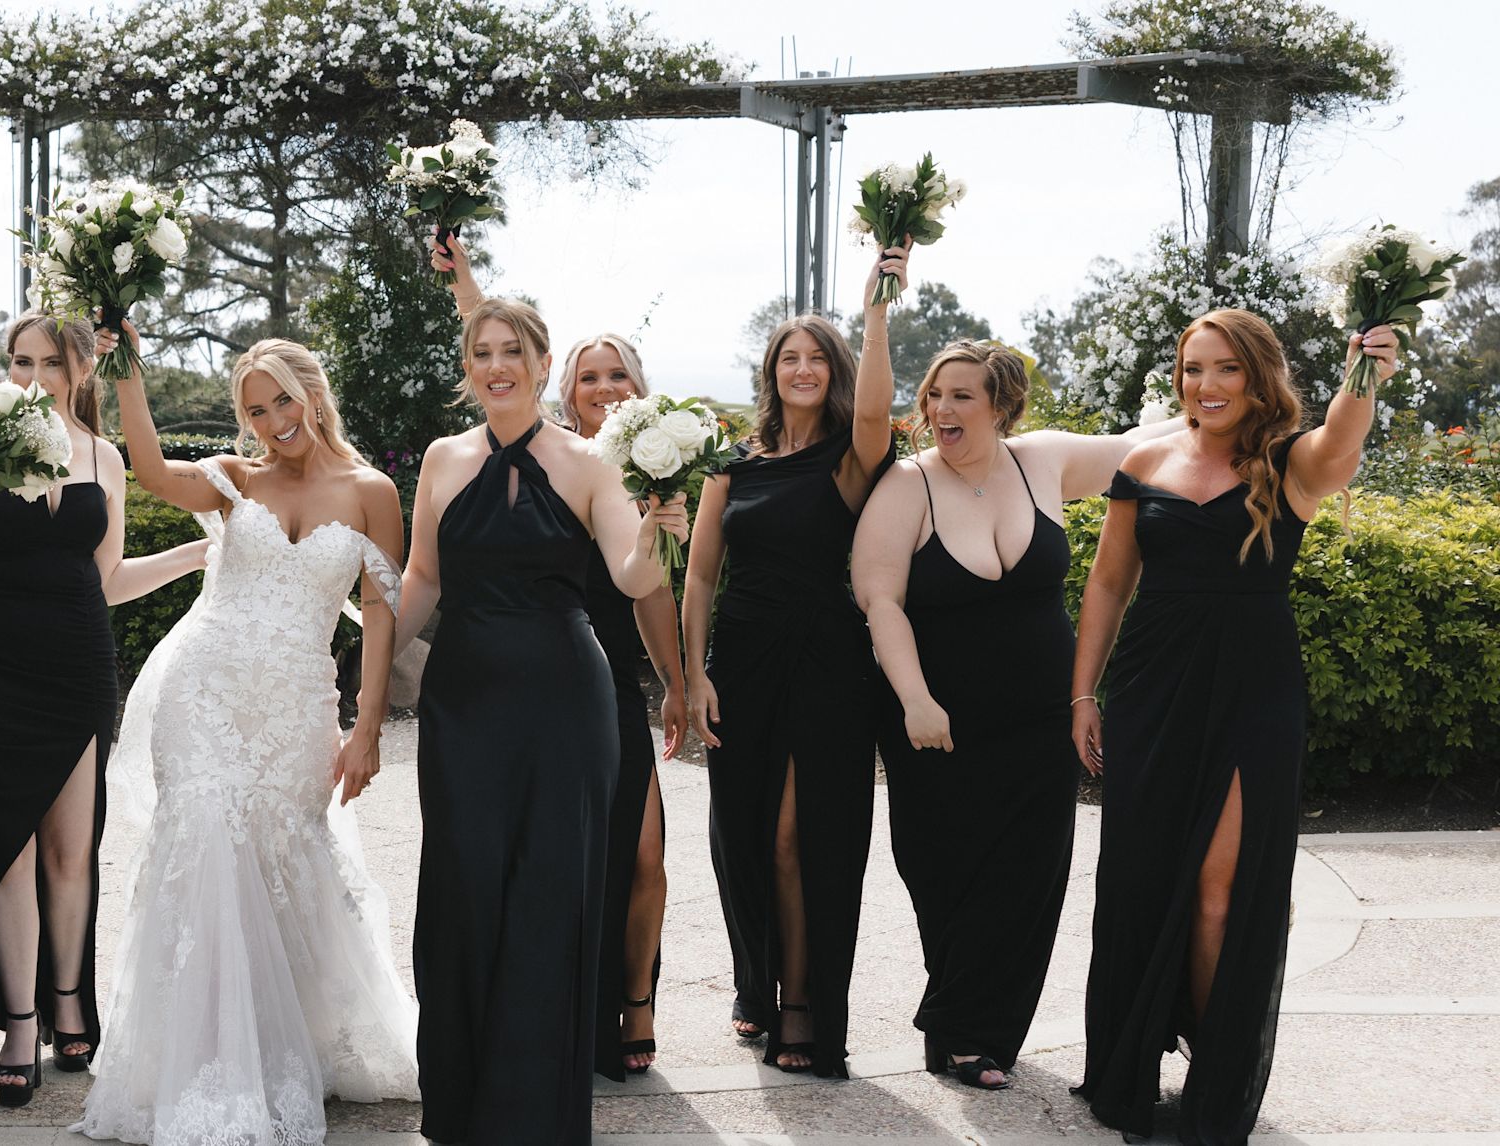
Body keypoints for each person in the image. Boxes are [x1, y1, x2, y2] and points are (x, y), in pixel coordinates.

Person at [73, 336, 419, 1145]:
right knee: (205, 843)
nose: (272, 422)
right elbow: (152, 470)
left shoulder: (372, 492)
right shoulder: (236, 480)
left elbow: (380, 609)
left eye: (282, 402)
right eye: (255, 411)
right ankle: (209, 1068)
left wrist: (367, 726)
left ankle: (285, 1040)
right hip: (205, 692)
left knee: (281, 856)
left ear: (313, 394)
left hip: (296, 703)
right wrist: (125, 370)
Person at [1072, 311, 1389, 1146]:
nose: (1204, 386)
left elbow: (1341, 446)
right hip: (1150, 687)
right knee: (1139, 879)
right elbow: (1107, 585)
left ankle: (1215, 1081)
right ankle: (1132, 1062)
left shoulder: (1290, 461)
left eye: (1224, 371)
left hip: (1253, 691)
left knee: (1222, 892)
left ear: (1257, 376)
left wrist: (1364, 377)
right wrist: (1082, 694)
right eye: (1190, 369)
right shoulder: (1144, 461)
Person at [852, 338, 1185, 1090]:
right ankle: (958, 1016)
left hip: (1039, 721)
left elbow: (1136, 447)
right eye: (935, 395)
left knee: (1027, 877)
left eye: (961, 396)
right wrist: (914, 699)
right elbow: (880, 601)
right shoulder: (908, 485)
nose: (941, 410)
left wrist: (1218, 409)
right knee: (945, 874)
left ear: (1001, 405)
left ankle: (972, 1034)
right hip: (936, 725)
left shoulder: (1043, 460)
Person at [394, 294, 687, 1145]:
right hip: (463, 705)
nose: (496, 365)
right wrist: (366, 684)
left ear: (537, 360)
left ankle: (535, 1112)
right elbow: (421, 578)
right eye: (481, 350)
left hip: (567, 700)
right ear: (468, 365)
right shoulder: (443, 461)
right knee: (463, 882)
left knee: (551, 891)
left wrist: (661, 533)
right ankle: (461, 1099)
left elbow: (633, 579)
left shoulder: (592, 463)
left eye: (511, 350)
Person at [0, 313, 209, 1106]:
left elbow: (107, 578)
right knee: (9, 849)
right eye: (19, 361)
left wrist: (197, 553)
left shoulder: (103, 457)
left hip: (77, 667)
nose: (32, 376)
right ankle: (22, 1022)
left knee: (72, 851)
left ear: (80, 369)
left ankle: (70, 998)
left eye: (48, 362)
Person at [681, 247, 903, 1078]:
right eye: (788, 358)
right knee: (743, 840)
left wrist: (878, 306)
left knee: (803, 841)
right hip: (740, 661)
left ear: (834, 371)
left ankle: (805, 1007)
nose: (803, 368)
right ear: (770, 374)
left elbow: (879, 409)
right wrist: (693, 670)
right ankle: (759, 989)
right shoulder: (732, 466)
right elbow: (701, 572)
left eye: (817, 358)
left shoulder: (852, 458)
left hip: (828, 666)